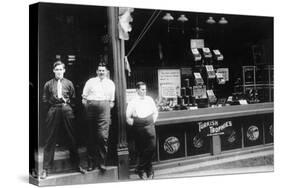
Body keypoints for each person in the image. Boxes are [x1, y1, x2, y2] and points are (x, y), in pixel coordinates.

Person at [40, 61, 86, 179]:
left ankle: (77, 165)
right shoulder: (48, 84)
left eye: (61, 69)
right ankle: (45, 169)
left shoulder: (69, 83)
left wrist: (67, 102)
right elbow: (44, 100)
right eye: (57, 69)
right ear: (53, 71)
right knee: (50, 139)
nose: (59, 71)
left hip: (66, 110)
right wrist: (53, 102)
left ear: (64, 71)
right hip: (54, 109)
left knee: (72, 137)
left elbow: (74, 98)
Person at [82, 63, 115, 173]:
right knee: (90, 136)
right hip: (91, 109)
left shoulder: (110, 83)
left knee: (102, 136)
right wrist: (89, 107)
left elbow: (111, 102)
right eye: (99, 70)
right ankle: (91, 163)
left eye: (103, 71)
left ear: (106, 72)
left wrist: (106, 110)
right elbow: (84, 98)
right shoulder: (90, 81)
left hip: (104, 108)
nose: (101, 72)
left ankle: (102, 163)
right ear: (96, 71)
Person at [126, 82, 158, 179]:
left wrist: (152, 121)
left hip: (149, 123)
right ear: (137, 90)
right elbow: (127, 116)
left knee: (152, 147)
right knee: (141, 149)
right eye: (142, 89)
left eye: (145, 89)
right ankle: (148, 170)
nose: (144, 91)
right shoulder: (133, 101)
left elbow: (155, 112)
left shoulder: (149, 99)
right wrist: (136, 123)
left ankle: (139, 168)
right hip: (139, 125)